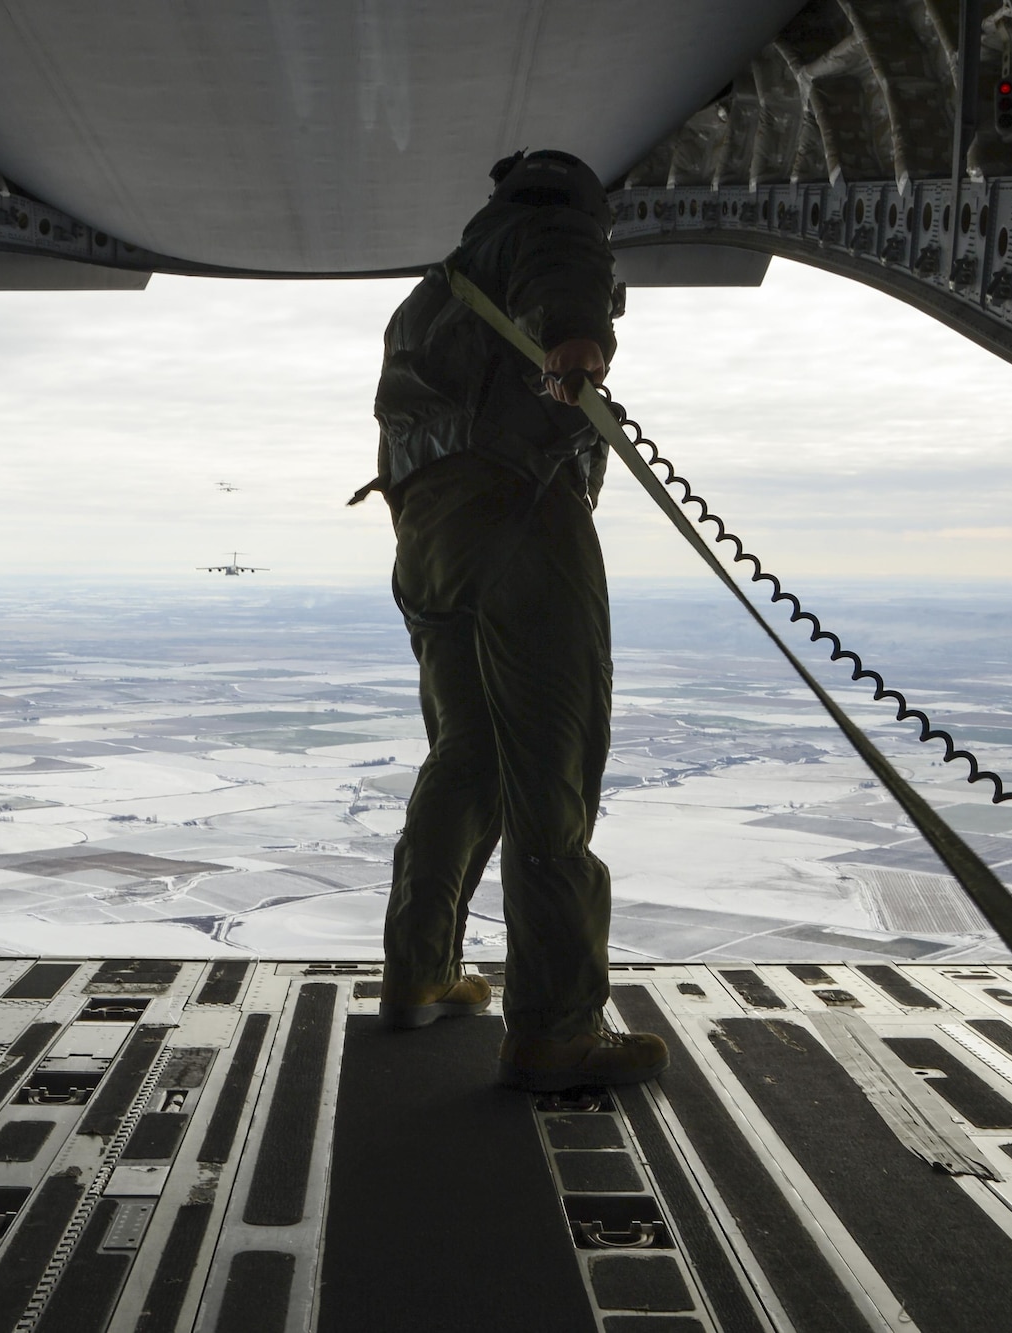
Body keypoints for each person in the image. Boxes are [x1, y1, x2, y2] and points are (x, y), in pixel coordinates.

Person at [359, 149, 669, 1091]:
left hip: (427, 541)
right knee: (552, 768)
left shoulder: (426, 301)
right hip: (521, 518)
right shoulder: (554, 225)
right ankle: (556, 1028)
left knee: (466, 755)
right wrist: (579, 340)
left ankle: (421, 971)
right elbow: (566, 268)